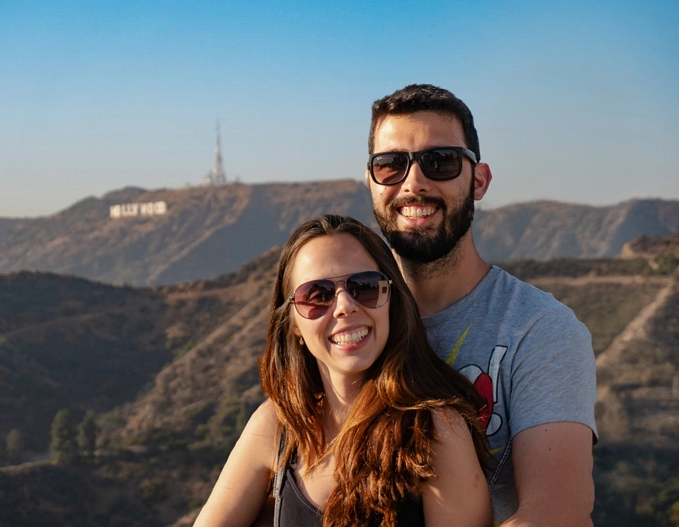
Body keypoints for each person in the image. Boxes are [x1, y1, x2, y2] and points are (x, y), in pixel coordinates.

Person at [365, 83, 598, 525]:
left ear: (480, 180)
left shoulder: (540, 330)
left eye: (440, 162)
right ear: (373, 183)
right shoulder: (347, 322)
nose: (414, 183)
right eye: (391, 164)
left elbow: (557, 511)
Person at [195, 214, 492, 527]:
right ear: (294, 323)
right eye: (317, 295)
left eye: (364, 287)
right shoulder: (278, 426)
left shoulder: (435, 431)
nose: (344, 306)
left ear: (390, 299)